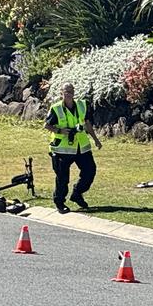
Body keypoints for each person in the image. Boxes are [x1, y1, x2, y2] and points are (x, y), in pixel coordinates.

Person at [44, 82, 102, 214]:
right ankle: (59, 203)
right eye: (66, 92)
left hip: (81, 147)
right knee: (62, 177)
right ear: (61, 93)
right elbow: (47, 126)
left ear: (74, 92)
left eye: (70, 91)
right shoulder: (56, 108)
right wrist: (60, 131)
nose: (68, 94)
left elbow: (87, 123)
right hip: (62, 150)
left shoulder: (82, 105)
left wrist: (96, 140)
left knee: (90, 171)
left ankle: (77, 193)